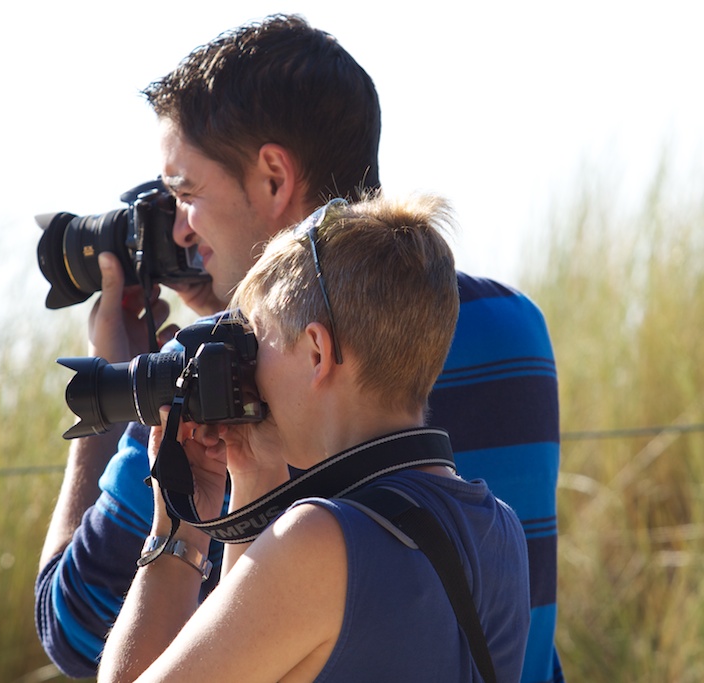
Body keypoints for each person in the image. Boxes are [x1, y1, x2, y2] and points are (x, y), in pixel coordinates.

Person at [35, 14, 563, 682]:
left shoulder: (232, 376)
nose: (184, 230)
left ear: (275, 177)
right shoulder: (517, 331)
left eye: (186, 193)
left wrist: (123, 388)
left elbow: (76, 626)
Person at [99, 193, 530, 682]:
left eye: (258, 342)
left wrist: (176, 531)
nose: (251, 372)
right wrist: (254, 475)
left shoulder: (318, 542)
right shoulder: (501, 532)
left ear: (317, 353)